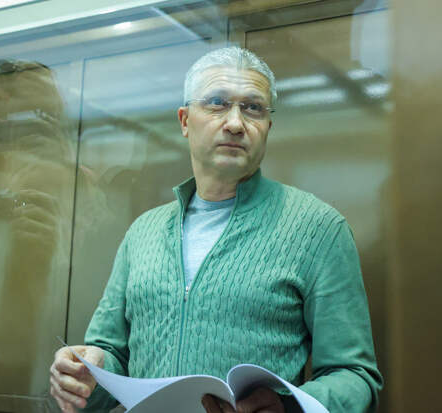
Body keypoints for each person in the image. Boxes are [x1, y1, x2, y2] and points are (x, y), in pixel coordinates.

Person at [49, 46, 383, 413]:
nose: (236, 123)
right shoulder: (143, 232)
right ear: (185, 121)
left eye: (253, 108)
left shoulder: (318, 229)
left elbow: (355, 376)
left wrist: (289, 408)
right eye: (217, 103)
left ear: (268, 127)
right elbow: (109, 356)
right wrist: (85, 376)